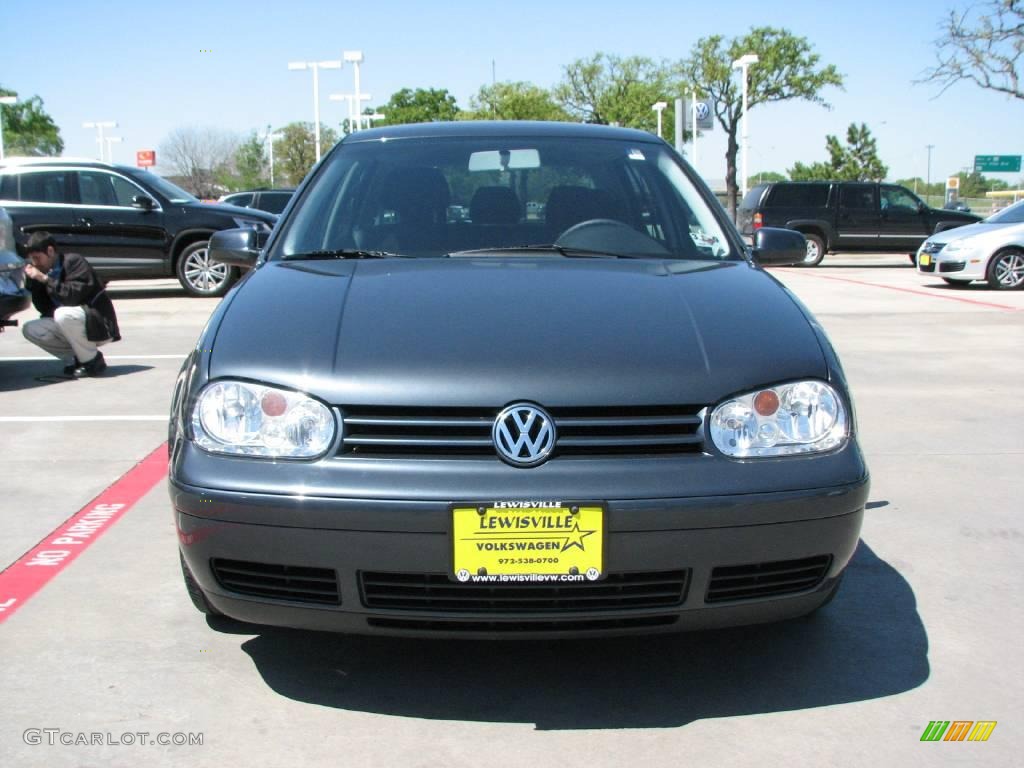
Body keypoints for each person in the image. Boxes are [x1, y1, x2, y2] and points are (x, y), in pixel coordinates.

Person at [21, 231, 121, 378]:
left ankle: (92, 361)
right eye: (32, 259)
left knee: (62, 314)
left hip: (98, 324)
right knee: (31, 329)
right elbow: (44, 309)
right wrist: (35, 283)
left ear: (50, 251)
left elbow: (71, 298)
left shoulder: (74, 262)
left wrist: (45, 279)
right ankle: (77, 358)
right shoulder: (43, 272)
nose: (35, 263)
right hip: (71, 324)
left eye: (37, 258)